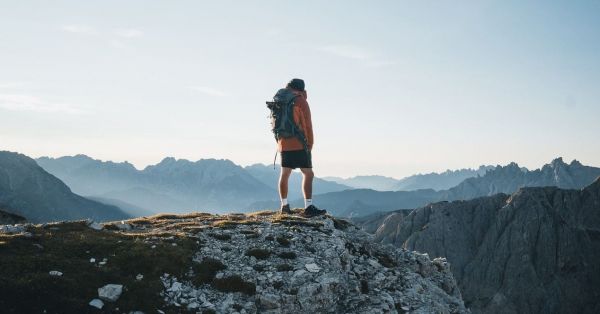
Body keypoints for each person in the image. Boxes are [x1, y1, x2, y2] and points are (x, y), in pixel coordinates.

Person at [277, 78, 326, 217]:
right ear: (301, 89)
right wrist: (309, 144)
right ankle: (308, 207)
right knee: (308, 174)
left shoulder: (280, 100)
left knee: (285, 174)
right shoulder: (300, 101)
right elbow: (308, 126)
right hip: (299, 143)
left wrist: (280, 142)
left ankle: (284, 206)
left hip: (283, 143)